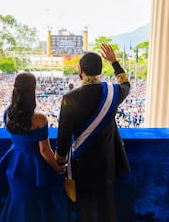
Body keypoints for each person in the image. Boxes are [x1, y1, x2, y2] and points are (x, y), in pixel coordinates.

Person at [55, 43, 131, 222]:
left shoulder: (69, 98)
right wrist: (115, 62)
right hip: (109, 161)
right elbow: (126, 83)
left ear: (80, 70)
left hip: (83, 164)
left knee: (88, 209)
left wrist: (60, 161)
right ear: (100, 69)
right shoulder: (114, 92)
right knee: (108, 207)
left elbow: (64, 134)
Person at [0, 72, 66, 222]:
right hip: (34, 167)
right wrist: (58, 167)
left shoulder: (7, 113)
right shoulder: (39, 119)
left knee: (18, 200)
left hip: (14, 163)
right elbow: (44, 150)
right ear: (33, 91)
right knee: (36, 204)